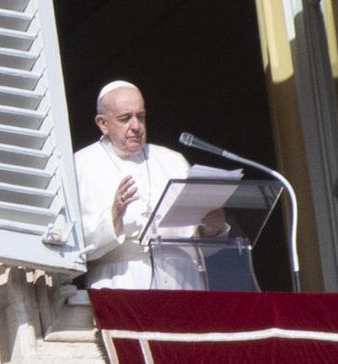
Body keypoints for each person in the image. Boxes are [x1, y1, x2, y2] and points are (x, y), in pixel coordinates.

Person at [74, 80, 226, 289]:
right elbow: (74, 245)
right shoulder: (81, 164)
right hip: (120, 282)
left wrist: (211, 230)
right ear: (102, 123)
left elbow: (198, 240)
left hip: (182, 281)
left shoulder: (173, 161)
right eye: (125, 118)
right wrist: (114, 215)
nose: (135, 126)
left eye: (141, 116)